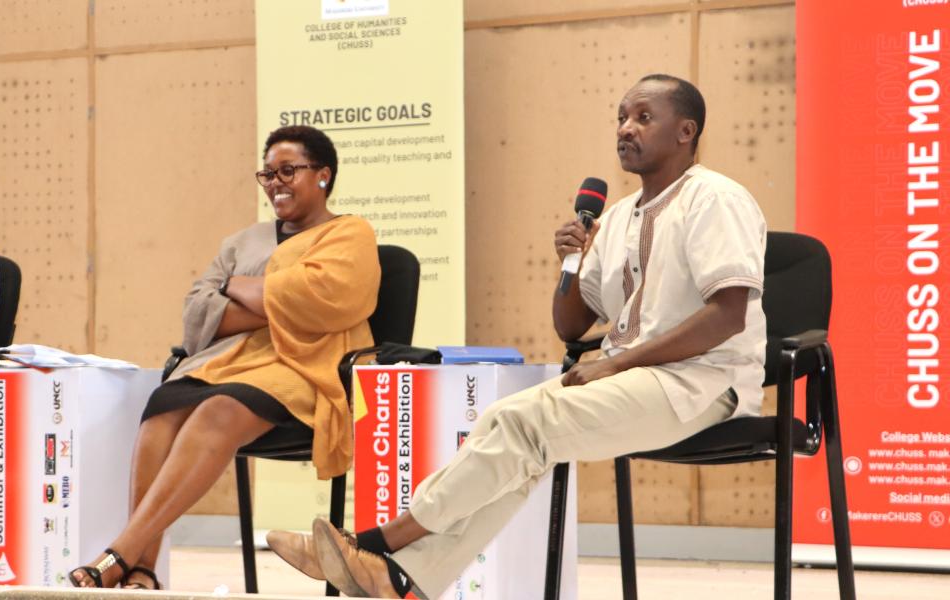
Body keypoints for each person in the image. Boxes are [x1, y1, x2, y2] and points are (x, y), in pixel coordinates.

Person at [268, 74, 768, 598]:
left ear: (686, 131)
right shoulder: (619, 216)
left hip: (701, 383)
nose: (625, 128)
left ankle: (379, 545)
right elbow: (572, 326)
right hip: (634, 378)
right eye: (621, 117)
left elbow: (728, 316)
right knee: (507, 426)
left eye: (643, 118)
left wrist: (616, 364)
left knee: (524, 425)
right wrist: (572, 264)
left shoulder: (716, 198)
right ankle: (405, 579)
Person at [69, 125, 381, 589]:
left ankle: (121, 552)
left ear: (323, 175)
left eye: (289, 170)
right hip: (231, 363)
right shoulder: (242, 242)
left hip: (307, 367)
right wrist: (277, 305)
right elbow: (198, 312)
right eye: (268, 173)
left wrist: (236, 288)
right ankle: (142, 571)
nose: (276, 182)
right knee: (164, 405)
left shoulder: (349, 232)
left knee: (216, 409)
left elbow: (327, 299)